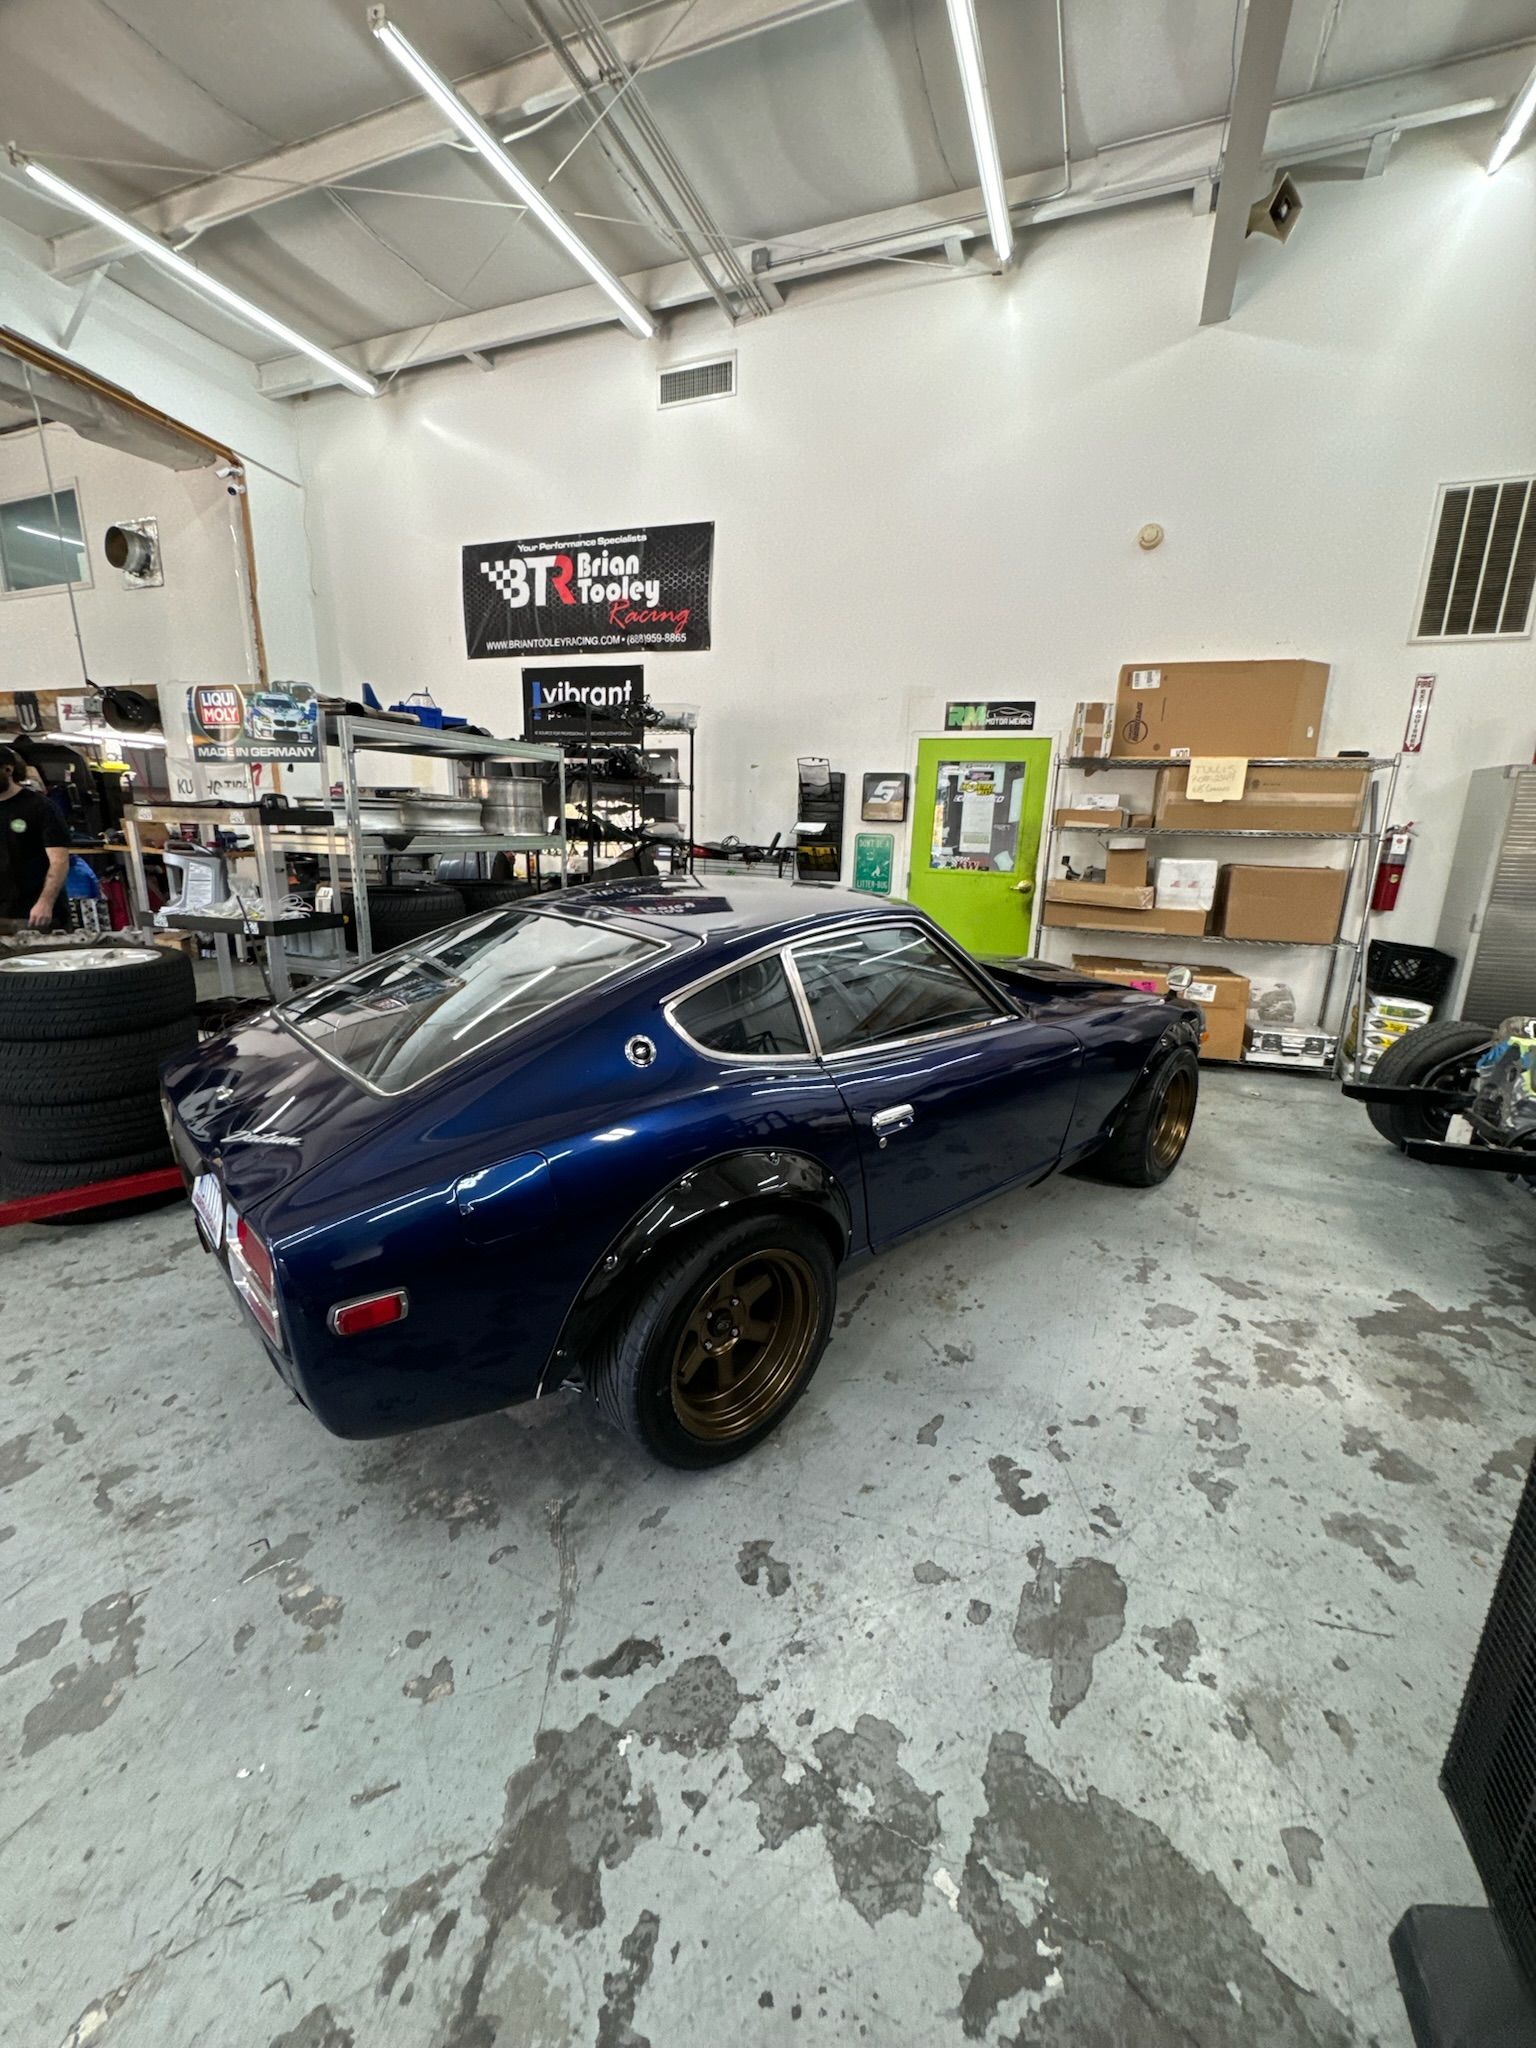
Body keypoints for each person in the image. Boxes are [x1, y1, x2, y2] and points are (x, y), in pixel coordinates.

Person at [0, 743, 69, 930]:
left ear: (8, 770)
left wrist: (45, 903)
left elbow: (59, 861)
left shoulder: (41, 807)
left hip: (35, 914)